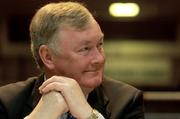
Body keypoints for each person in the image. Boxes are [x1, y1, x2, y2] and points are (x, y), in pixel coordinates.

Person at [0, 1, 144, 119]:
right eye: (85, 49)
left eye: (99, 45)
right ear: (48, 57)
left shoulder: (126, 100)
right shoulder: (6, 102)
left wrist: (88, 115)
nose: (99, 59)